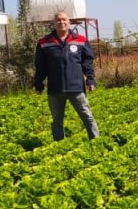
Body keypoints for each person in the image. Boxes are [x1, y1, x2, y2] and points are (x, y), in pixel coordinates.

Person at [34, 10, 100, 141]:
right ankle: (60, 145)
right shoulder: (44, 42)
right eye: (58, 20)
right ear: (54, 23)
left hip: (76, 88)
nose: (61, 22)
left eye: (64, 19)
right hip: (55, 89)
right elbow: (40, 66)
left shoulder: (81, 40)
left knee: (87, 116)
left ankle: (96, 141)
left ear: (69, 22)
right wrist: (38, 83)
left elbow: (87, 62)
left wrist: (90, 79)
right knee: (57, 120)